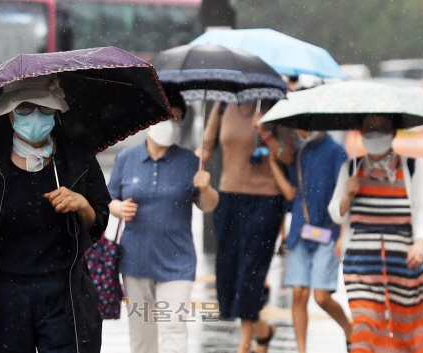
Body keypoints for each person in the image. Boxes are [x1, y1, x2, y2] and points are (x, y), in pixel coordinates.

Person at [0, 76, 111, 353]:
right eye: (24, 109)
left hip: (63, 295)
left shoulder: (77, 161)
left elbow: (97, 223)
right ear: (8, 114)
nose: (35, 117)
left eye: (44, 109)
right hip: (0, 298)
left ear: (57, 111)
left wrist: (81, 203)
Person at [107, 91, 219, 353]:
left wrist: (206, 188)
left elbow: (208, 204)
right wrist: (117, 208)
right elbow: (108, 198)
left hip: (177, 263)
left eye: (176, 118)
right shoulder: (127, 159)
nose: (169, 122)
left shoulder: (191, 162)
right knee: (142, 334)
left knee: (174, 328)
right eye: (164, 115)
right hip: (136, 261)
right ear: (150, 118)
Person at [328, 114, 423, 353]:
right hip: (361, 265)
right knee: (365, 324)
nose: (375, 134)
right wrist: (347, 195)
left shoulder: (410, 167)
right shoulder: (350, 169)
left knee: (406, 331)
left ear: (394, 132)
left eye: (382, 128)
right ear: (360, 131)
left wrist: (420, 243)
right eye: (369, 128)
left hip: (404, 264)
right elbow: (336, 213)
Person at [199, 101, 294, 353]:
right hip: (228, 198)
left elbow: (288, 156)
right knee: (228, 273)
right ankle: (262, 331)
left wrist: (265, 132)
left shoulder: (277, 107)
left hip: (266, 199)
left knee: (251, 271)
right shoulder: (222, 106)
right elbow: (206, 148)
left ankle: (244, 345)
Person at [265, 127, 352, 353]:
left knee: (322, 297)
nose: (302, 132)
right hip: (299, 233)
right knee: (298, 294)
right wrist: (273, 164)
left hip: (328, 232)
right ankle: (301, 349)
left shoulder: (337, 152)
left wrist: (343, 235)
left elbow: (345, 196)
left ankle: (349, 329)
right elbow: (292, 194)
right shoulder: (301, 153)